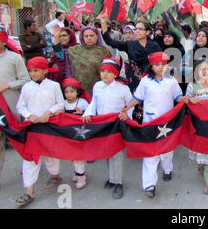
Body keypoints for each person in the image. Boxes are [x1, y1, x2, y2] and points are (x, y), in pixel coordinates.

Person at [119, 52, 184, 198]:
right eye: (157, 65)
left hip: (167, 122)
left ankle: (167, 169)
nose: (160, 67)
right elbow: (137, 98)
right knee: (150, 154)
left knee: (167, 151)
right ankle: (149, 185)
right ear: (151, 66)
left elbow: (177, 97)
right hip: (149, 122)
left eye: (163, 64)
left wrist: (184, 100)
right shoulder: (145, 82)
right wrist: (127, 108)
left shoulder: (171, 81)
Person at [15, 56, 65, 206]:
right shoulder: (26, 87)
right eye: (30, 71)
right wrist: (29, 116)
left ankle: (55, 175)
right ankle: (29, 191)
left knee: (51, 153)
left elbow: (60, 104)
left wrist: (48, 112)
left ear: (45, 71)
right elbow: (20, 106)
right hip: (32, 127)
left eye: (36, 70)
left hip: (49, 125)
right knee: (31, 158)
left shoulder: (54, 85)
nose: (33, 74)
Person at [82, 57, 133, 198]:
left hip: (116, 125)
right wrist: (88, 112)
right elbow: (94, 102)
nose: (104, 74)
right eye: (102, 71)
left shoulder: (123, 88)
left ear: (115, 74)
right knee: (106, 153)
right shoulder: (97, 86)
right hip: (102, 125)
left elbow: (130, 105)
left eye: (108, 72)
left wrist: (127, 116)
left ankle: (118, 183)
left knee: (116, 154)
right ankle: (111, 178)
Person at [0, 23, 30, 193]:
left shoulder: (15, 58)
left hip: (10, 106)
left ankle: (29, 166)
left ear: (3, 42)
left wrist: (6, 85)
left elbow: (25, 80)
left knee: (17, 139)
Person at [184, 60, 208, 194]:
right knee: (199, 151)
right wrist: (190, 100)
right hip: (198, 125)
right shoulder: (192, 85)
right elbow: (186, 100)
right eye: (201, 69)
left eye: (207, 69)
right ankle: (200, 165)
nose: (205, 72)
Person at [101, 18, 161, 94]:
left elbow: (160, 62)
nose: (137, 31)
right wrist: (103, 23)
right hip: (134, 79)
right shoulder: (130, 45)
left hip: (151, 78)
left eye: (140, 29)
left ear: (147, 32)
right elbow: (110, 42)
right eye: (136, 29)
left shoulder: (154, 46)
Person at [62, 77, 91, 189]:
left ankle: (81, 175)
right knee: (72, 154)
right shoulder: (64, 103)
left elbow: (90, 113)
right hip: (68, 133)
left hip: (80, 133)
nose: (69, 94)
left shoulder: (82, 102)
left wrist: (82, 112)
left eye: (72, 91)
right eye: (66, 92)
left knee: (79, 155)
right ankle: (77, 171)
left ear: (77, 92)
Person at [67, 26, 111, 95]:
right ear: (82, 37)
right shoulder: (74, 50)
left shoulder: (103, 51)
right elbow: (60, 55)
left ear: (97, 36)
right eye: (86, 36)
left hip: (98, 88)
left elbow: (110, 70)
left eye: (92, 35)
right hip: (78, 89)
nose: (89, 38)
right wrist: (57, 38)